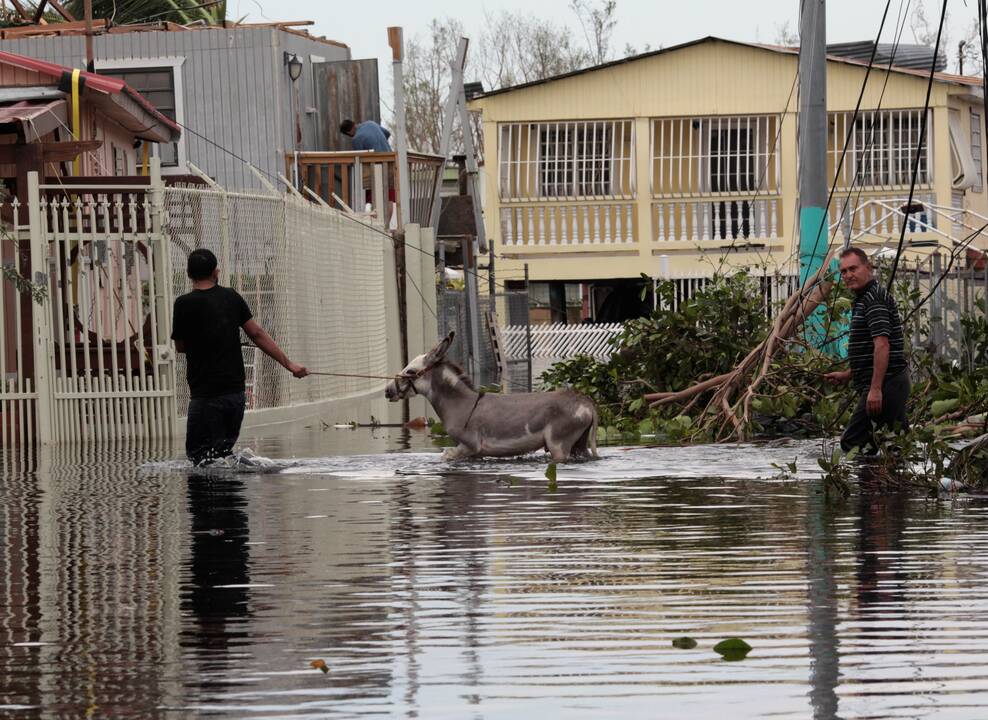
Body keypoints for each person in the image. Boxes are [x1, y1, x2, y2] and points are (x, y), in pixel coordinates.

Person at [171, 249, 308, 466]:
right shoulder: (231, 297)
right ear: (216, 271)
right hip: (234, 395)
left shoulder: (183, 304)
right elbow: (257, 334)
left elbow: (180, 346)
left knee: (200, 460)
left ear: (188, 273)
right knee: (224, 455)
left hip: (205, 397)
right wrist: (290, 365)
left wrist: (203, 341)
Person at [824, 246, 910, 453]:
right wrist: (849, 374)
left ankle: (865, 486)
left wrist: (875, 389)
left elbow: (882, 345)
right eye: (843, 271)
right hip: (890, 382)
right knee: (894, 445)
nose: (848, 275)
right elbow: (873, 349)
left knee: (853, 443)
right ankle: (891, 485)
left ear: (868, 267)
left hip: (888, 383)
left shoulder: (874, 299)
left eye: (853, 269)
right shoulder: (865, 298)